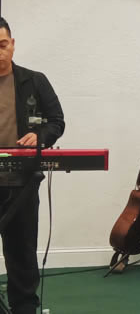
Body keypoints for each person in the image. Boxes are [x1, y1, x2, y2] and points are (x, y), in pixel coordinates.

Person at [0, 17, 64, 314]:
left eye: (2, 45)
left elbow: (56, 122)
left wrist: (40, 136)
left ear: (12, 44)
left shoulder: (34, 81)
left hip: (22, 182)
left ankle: (24, 306)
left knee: (22, 249)